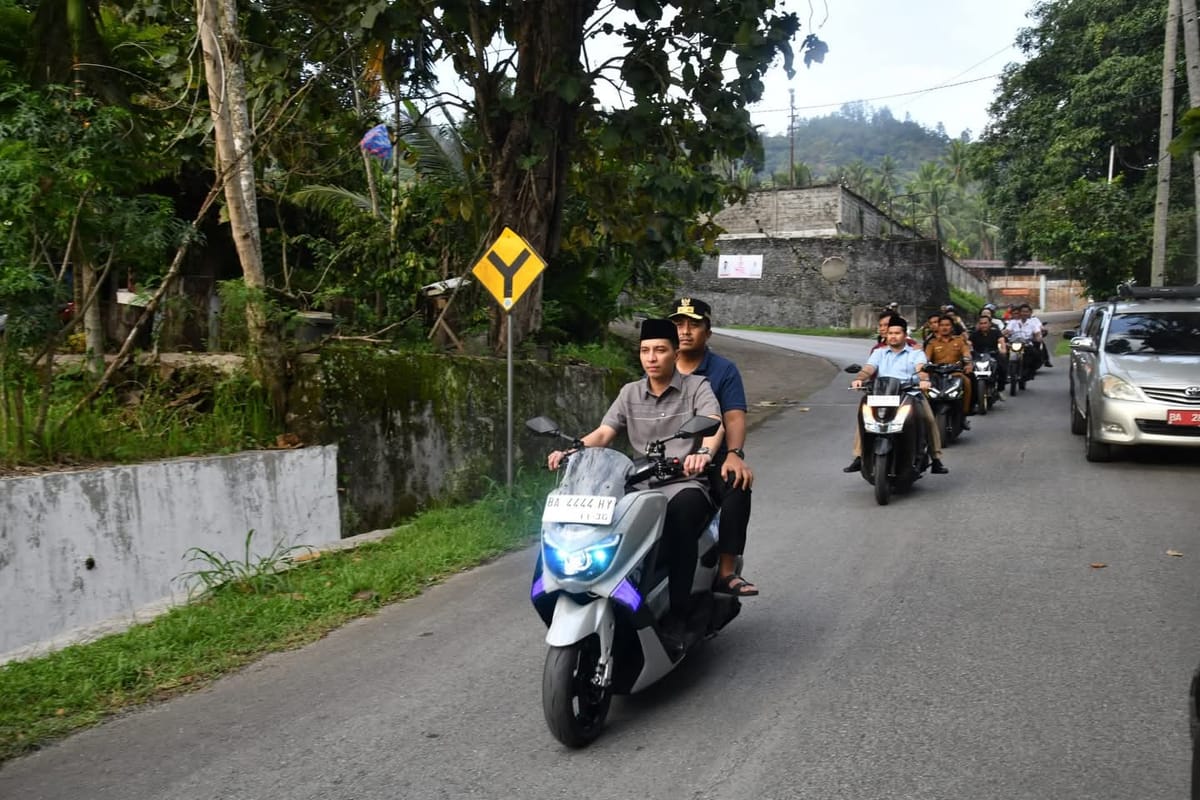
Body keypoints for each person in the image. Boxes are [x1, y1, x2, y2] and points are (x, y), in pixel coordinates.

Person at [546, 319, 724, 628]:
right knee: (605, 523)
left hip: (683, 482)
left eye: (660, 350)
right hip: (639, 484)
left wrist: (703, 454)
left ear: (675, 353)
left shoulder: (697, 387)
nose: (651, 358)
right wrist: (572, 452)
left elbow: (713, 423)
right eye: (645, 351)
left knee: (681, 520)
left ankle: (679, 614)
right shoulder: (630, 392)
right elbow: (604, 432)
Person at [669, 297, 758, 597]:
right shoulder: (659, 365)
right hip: (668, 458)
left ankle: (726, 571)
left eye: (693, 325)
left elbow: (733, 417)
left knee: (737, 482)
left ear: (707, 332)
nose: (685, 331)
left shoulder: (723, 370)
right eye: (678, 325)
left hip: (712, 459)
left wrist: (734, 454)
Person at [845, 315, 948, 474]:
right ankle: (859, 456)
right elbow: (869, 368)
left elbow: (921, 368)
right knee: (865, 418)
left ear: (905, 335)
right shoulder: (879, 353)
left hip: (910, 394)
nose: (893, 336)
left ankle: (936, 459)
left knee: (928, 419)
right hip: (882, 395)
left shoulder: (915, 353)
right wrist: (859, 379)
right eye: (890, 333)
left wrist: (924, 380)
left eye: (897, 333)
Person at [925, 314, 974, 424]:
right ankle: (927, 417)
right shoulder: (932, 343)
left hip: (955, 373)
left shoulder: (959, 341)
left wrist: (968, 363)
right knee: (923, 389)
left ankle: (964, 413)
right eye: (942, 325)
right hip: (936, 374)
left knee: (967, 382)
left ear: (952, 327)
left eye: (947, 325)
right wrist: (924, 365)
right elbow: (926, 358)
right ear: (938, 327)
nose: (944, 327)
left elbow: (966, 353)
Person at [969, 313, 1008, 396]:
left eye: (985, 323)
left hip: (993, 355)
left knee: (1002, 367)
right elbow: (969, 344)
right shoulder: (974, 334)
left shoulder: (996, 332)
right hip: (977, 356)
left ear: (990, 324)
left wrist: (1003, 349)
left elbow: (1001, 341)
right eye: (981, 323)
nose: (983, 325)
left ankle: (1000, 389)